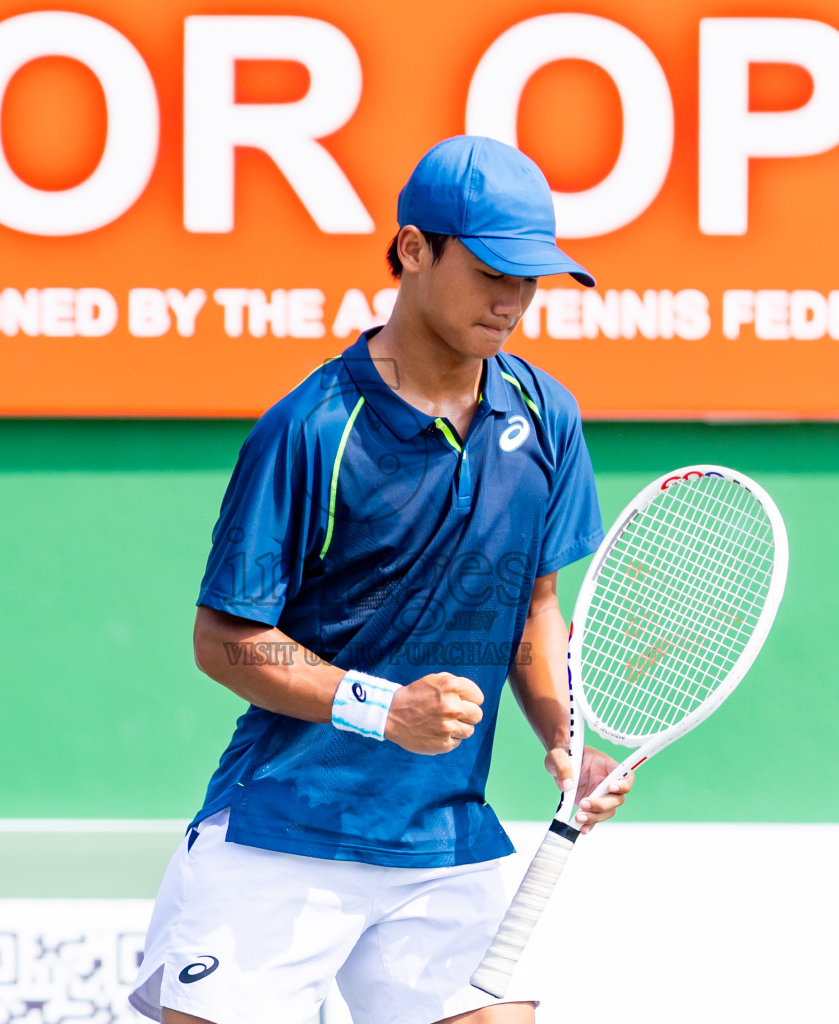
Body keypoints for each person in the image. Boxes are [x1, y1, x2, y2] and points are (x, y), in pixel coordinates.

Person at [128, 135, 631, 1024]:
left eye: (530, 279)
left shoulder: (545, 413)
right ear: (412, 249)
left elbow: (533, 610)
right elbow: (224, 642)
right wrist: (384, 709)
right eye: (490, 271)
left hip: (446, 840)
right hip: (285, 829)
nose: (513, 300)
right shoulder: (313, 428)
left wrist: (566, 735)